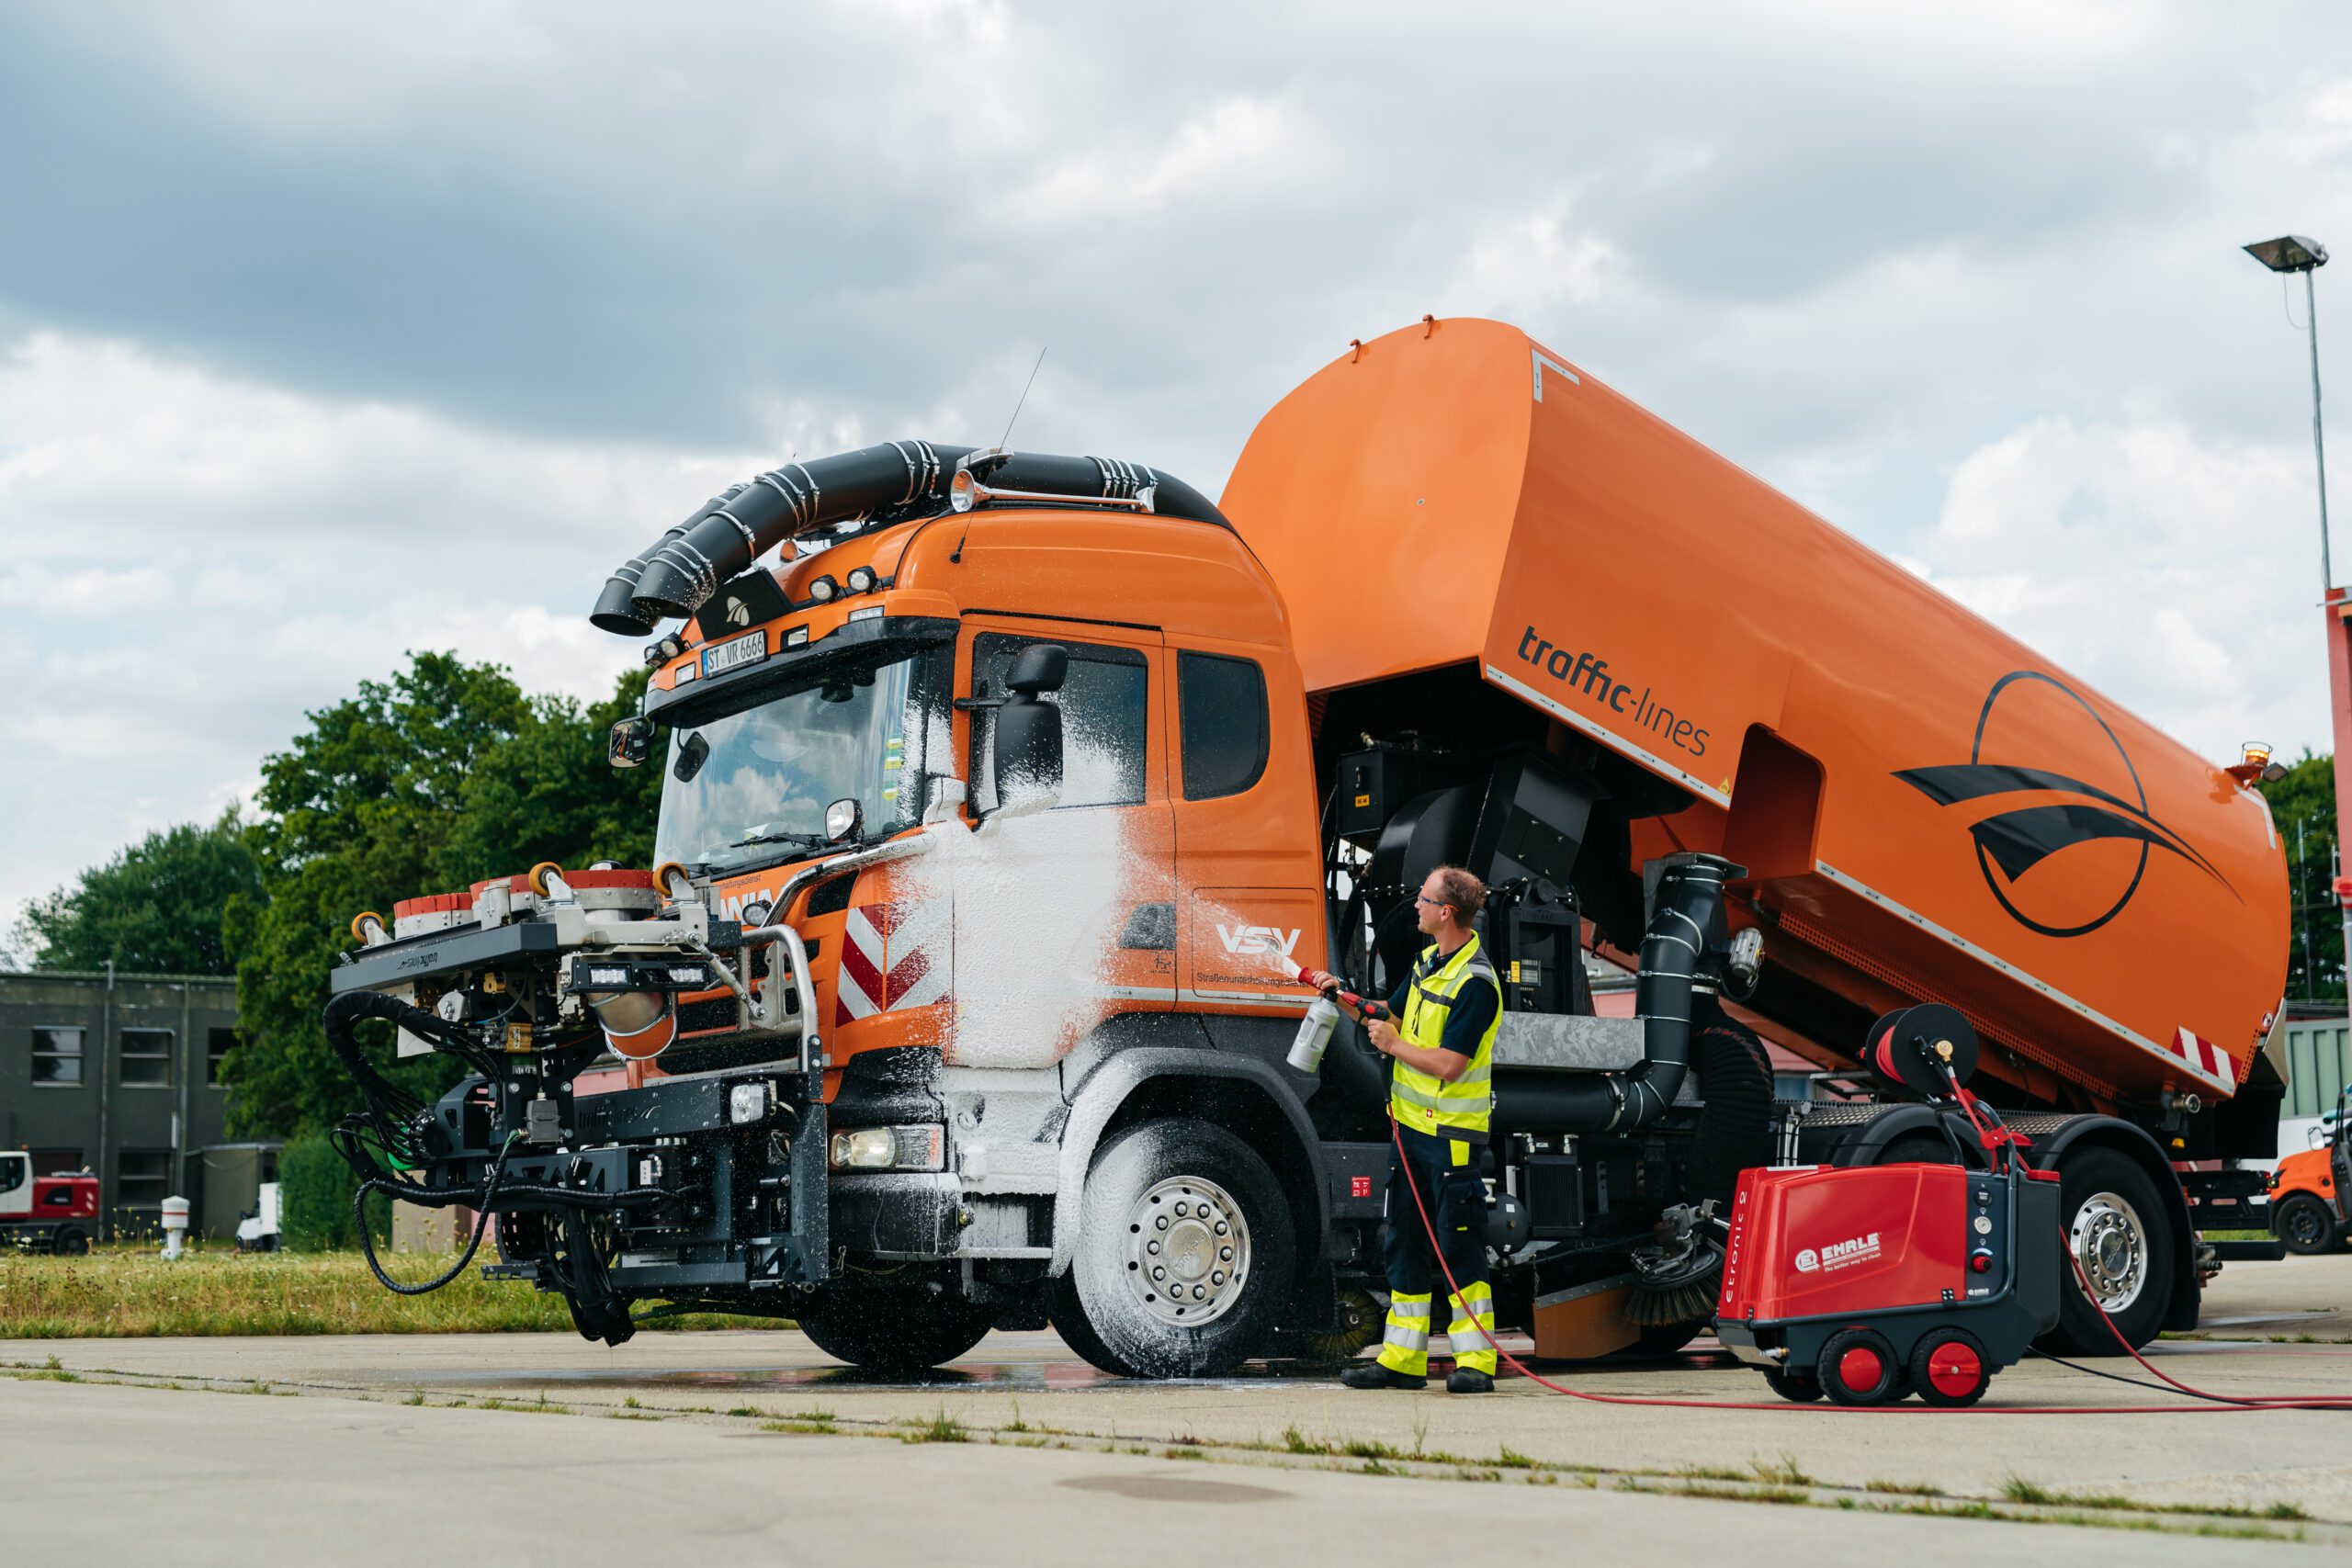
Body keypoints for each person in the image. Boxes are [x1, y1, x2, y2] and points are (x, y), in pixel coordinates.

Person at [1304, 864, 1502, 1393]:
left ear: (1447, 912)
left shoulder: (1476, 983)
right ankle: (1402, 1360)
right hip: (1410, 1133)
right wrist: (1337, 995)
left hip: (1452, 1138)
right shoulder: (1425, 966)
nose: (1414, 904)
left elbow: (1450, 1064)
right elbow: (1386, 1016)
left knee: (1459, 1247)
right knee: (1403, 1243)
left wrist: (1392, 1047)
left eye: (1423, 897)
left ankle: (1476, 1363)